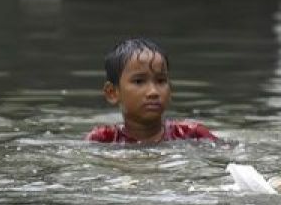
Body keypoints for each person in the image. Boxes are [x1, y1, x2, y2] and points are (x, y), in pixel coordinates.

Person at [86, 37, 218, 144]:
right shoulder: (102, 140)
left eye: (161, 81)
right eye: (139, 81)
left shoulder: (193, 135)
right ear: (112, 93)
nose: (153, 92)